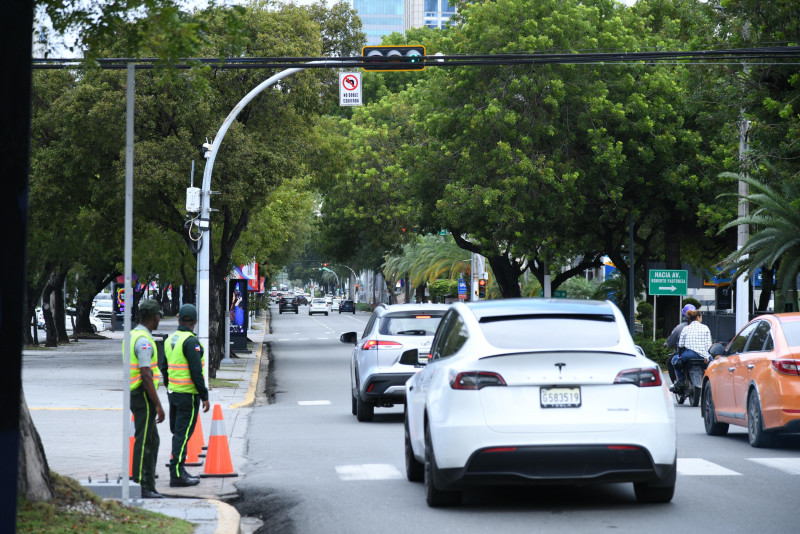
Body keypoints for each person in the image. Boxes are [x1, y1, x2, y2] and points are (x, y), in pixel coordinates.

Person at [164, 303, 210, 487]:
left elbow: (164, 368)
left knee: (178, 433)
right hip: (188, 395)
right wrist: (204, 395)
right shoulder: (191, 342)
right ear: (195, 322)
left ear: (178, 318)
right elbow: (196, 372)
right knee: (182, 434)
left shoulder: (170, 340)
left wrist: (170, 387)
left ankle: (179, 470)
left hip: (173, 393)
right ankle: (176, 474)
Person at [128, 299, 166, 499]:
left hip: (138, 394)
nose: (159, 318)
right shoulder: (143, 340)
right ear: (154, 317)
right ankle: (141, 485)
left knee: (152, 439)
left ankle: (148, 484)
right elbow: (145, 374)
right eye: (159, 315)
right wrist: (158, 404)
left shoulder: (133, 335)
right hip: (142, 394)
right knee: (144, 441)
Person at [671, 309, 713, 391]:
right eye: (701, 317)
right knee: (712, 365)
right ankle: (710, 381)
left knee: (674, 360)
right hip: (704, 357)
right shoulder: (705, 328)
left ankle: (681, 380)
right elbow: (709, 345)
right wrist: (707, 356)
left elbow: (681, 344)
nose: (702, 318)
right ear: (698, 317)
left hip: (689, 355)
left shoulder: (686, 328)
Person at [665, 304, 696, 383]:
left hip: (685, 352)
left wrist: (667, 344)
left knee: (671, 361)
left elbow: (672, 342)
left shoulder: (681, 327)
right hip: (700, 353)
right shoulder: (703, 327)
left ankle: (676, 382)